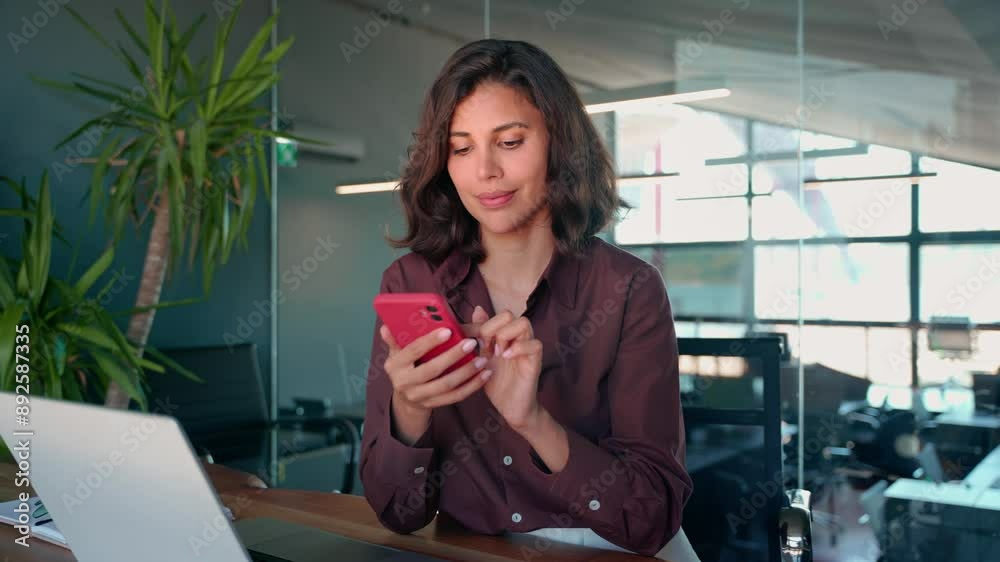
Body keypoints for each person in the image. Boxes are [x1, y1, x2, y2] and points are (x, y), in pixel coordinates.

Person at [360, 39, 697, 561]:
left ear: (558, 144)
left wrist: (533, 421)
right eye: (461, 147)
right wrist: (409, 408)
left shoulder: (628, 288)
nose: (485, 171)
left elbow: (651, 518)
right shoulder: (411, 283)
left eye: (510, 141)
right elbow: (397, 514)